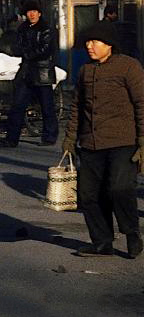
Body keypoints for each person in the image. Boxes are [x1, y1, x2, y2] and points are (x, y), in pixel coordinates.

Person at [62, 21, 144, 259]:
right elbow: (77, 107)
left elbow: (141, 103)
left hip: (122, 141)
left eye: (95, 42)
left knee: (120, 189)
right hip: (90, 143)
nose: (90, 46)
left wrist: (142, 140)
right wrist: (70, 139)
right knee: (89, 195)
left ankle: (132, 234)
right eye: (87, 42)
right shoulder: (85, 70)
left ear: (109, 45)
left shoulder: (129, 67)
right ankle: (102, 242)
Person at [3, 0, 59, 147]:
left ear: (39, 13)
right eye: (29, 12)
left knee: (47, 106)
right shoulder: (22, 28)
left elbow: (45, 49)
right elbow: (16, 46)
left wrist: (27, 54)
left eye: (34, 12)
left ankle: (49, 137)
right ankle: (11, 138)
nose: (32, 14)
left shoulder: (46, 29)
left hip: (42, 72)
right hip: (27, 72)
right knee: (18, 105)